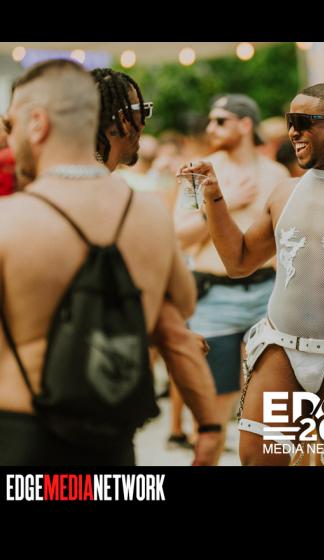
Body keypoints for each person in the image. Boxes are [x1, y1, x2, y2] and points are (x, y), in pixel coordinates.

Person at [0, 59, 216, 465]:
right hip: (111, 441)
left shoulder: (9, 220)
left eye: (11, 125)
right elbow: (178, 319)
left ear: (38, 125)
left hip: (21, 439)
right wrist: (210, 428)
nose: (8, 138)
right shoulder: (148, 214)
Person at [183, 83, 324, 466]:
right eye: (290, 121)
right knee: (260, 460)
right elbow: (239, 262)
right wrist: (214, 197)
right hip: (281, 350)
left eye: (303, 122)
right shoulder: (283, 193)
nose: (293, 132)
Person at [90, 66, 224, 464]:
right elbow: (176, 311)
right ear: (119, 121)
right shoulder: (128, 206)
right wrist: (209, 425)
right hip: (99, 408)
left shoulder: (28, 195)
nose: (145, 123)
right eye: (141, 111)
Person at [173, 94, 289, 463]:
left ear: (245, 124)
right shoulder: (198, 172)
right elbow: (180, 235)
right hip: (215, 300)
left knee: (274, 409)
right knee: (212, 413)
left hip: (267, 294)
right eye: (210, 120)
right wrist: (224, 202)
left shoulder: (277, 175)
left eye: (220, 120)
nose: (211, 128)